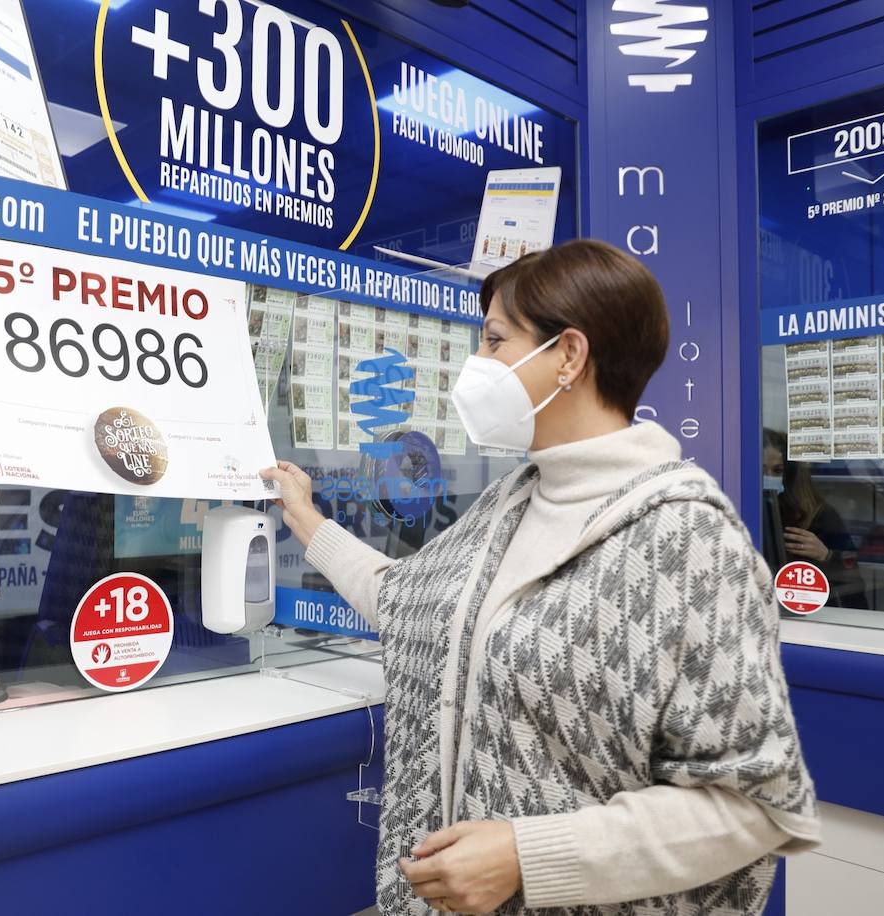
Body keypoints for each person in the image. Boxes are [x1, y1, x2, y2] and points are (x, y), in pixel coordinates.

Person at [264, 240, 820, 915]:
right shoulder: (510, 503)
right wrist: (305, 520)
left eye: (495, 340)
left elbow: (756, 805)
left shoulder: (688, 539)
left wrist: (529, 855)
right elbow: (405, 601)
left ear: (568, 356)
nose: (478, 364)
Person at [762, 429, 868, 608]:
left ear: (789, 473)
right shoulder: (747, 510)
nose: (769, 478)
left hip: (810, 615)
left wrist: (825, 555)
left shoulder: (818, 514)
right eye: (762, 470)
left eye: (777, 470)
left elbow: (852, 582)